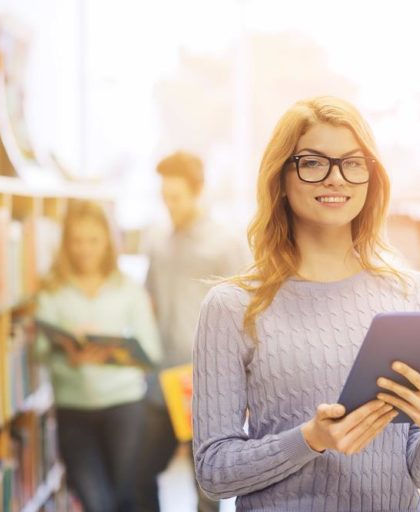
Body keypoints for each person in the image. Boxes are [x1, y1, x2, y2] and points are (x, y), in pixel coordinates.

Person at [192, 96, 420, 511]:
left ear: (371, 178)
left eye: (353, 163)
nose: (336, 179)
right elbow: (214, 473)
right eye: (313, 162)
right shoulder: (232, 307)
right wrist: (310, 440)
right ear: (280, 179)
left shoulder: (417, 296)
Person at [139, 151, 249, 512]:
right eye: (164, 197)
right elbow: (149, 300)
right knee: (140, 472)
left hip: (205, 382)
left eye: (176, 197)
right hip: (161, 380)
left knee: (206, 488)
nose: (169, 205)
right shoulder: (157, 240)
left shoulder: (225, 243)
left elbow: (247, 310)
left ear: (198, 190)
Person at [36, 200, 162, 512]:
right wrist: (68, 354)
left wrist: (113, 351)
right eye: (77, 241)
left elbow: (151, 352)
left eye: (93, 240)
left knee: (125, 499)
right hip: (73, 410)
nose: (85, 249)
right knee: (96, 503)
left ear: (107, 241)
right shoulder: (52, 291)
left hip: (125, 408)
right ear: (66, 244)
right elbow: (40, 351)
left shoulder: (128, 289)